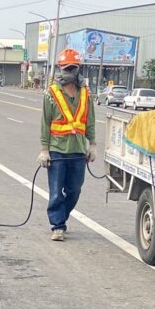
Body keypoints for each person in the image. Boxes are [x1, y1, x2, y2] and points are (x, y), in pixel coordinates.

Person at [37, 48, 96, 241]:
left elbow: (90, 121)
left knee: (74, 190)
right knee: (56, 191)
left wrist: (92, 145)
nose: (69, 71)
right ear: (60, 68)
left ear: (78, 69)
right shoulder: (51, 94)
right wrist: (44, 150)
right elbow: (45, 123)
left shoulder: (85, 93)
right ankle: (58, 225)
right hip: (57, 151)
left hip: (78, 151)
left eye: (73, 68)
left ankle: (62, 215)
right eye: (66, 68)